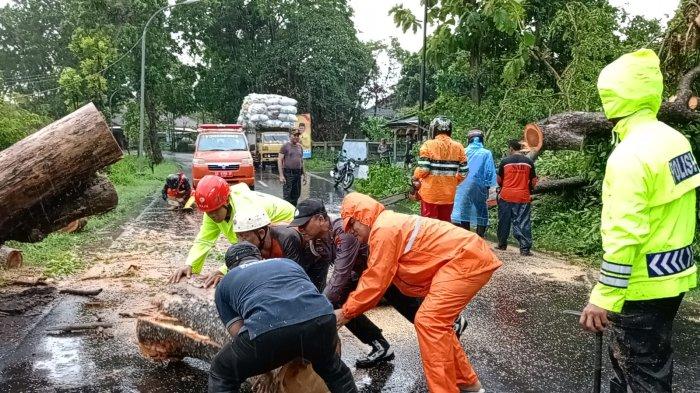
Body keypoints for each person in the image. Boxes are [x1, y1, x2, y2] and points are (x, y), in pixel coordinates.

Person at [579, 49, 699, 393]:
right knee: (650, 366)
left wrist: (604, 295)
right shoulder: (676, 141)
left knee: (642, 374)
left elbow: (625, 233)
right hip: (673, 278)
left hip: (640, 285)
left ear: (613, 97)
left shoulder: (629, 156)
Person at [336, 192, 502, 393]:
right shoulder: (387, 224)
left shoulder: (384, 229)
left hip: (466, 259)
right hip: (466, 257)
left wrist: (345, 313)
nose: (351, 232)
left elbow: (375, 281)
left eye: (352, 225)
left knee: (429, 321)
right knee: (436, 324)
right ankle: (467, 384)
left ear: (363, 216)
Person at [291, 198, 469, 370]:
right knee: (341, 301)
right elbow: (323, 278)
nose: (300, 229)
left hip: (384, 268)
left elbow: (340, 275)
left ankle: (449, 322)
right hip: (367, 273)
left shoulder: (344, 231)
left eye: (303, 224)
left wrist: (318, 308)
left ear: (320, 219)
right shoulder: (317, 241)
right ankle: (379, 345)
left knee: (398, 297)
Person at [209, 241, 358, 393]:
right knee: (335, 371)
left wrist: (262, 365)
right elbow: (309, 293)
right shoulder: (287, 263)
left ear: (230, 268)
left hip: (268, 329)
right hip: (322, 318)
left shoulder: (225, 282)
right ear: (259, 257)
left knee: (222, 373)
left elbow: (238, 332)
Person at [168, 175, 294, 288]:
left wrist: (224, 271)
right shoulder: (213, 209)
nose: (211, 215)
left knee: (275, 271)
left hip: (288, 225)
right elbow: (204, 240)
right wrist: (190, 265)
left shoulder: (246, 211)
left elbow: (248, 249)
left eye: (215, 211)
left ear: (226, 201)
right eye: (207, 212)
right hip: (266, 233)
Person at [231, 206, 329, 291]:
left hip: (312, 256)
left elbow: (296, 276)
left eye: (245, 236)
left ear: (261, 233)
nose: (241, 241)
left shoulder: (286, 238)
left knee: (311, 291)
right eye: (238, 236)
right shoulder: (255, 243)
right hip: (287, 259)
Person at [412, 117, 468, 222]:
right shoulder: (459, 147)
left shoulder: (428, 145)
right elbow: (464, 172)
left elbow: (424, 169)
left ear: (434, 130)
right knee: (444, 227)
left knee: (428, 227)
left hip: (430, 195)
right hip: (448, 196)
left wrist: (415, 177)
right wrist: (452, 182)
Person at [496, 140, 538, 256]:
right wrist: (530, 189)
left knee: (504, 221)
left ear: (511, 148)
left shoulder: (505, 162)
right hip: (523, 196)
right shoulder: (529, 162)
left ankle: (502, 244)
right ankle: (524, 249)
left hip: (506, 195)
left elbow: (499, 180)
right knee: (523, 221)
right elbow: (534, 181)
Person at [452, 130, 497, 237]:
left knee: (463, 210)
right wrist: (487, 186)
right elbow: (489, 171)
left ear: (469, 140)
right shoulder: (486, 153)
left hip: (463, 185)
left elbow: (457, 168)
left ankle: (466, 236)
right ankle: (479, 236)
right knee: (481, 209)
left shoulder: (463, 151)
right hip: (480, 185)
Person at [278, 129, 307, 206]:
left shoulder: (300, 147)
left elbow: (301, 161)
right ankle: (286, 213)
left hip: (298, 174)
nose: (296, 137)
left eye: (298, 136)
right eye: (294, 135)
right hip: (288, 174)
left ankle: (293, 211)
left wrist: (304, 175)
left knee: (296, 194)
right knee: (287, 195)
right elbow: (279, 160)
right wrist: (281, 175)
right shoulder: (285, 146)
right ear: (290, 136)